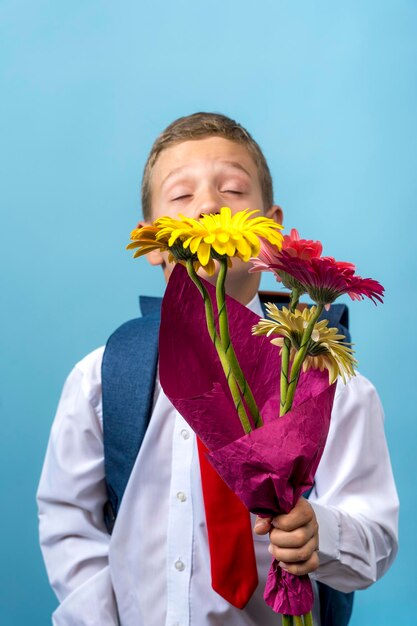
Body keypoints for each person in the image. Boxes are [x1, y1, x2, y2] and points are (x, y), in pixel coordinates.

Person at [37, 112, 399, 626]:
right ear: (153, 241)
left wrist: (325, 531)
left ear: (271, 231)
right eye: (182, 197)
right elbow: (70, 519)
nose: (208, 205)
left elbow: (376, 532)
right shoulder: (100, 379)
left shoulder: (329, 383)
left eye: (232, 189)